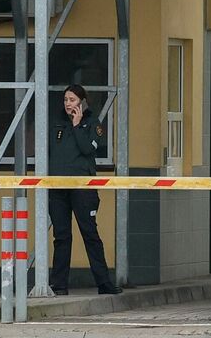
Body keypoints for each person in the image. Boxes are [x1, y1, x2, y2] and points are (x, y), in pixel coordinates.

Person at [48, 83, 122, 295]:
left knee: (90, 234)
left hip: (83, 188)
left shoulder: (92, 123)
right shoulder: (56, 123)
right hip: (58, 187)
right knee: (61, 236)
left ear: (82, 102)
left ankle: (104, 283)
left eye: (72, 100)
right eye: (65, 100)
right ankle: (59, 285)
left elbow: (87, 148)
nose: (68, 104)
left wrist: (78, 124)